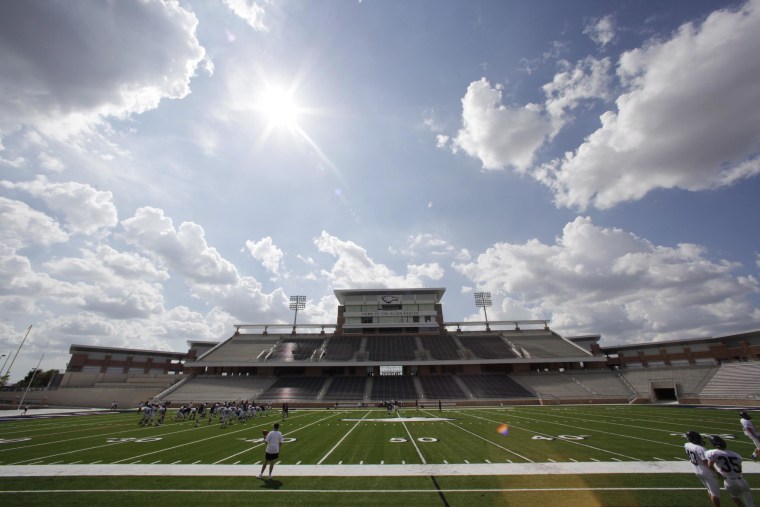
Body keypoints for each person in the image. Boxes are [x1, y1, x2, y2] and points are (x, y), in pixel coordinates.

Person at [706, 435, 755, 507]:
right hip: (742, 480)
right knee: (749, 502)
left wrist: (718, 473)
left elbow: (710, 465)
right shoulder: (736, 455)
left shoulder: (712, 453)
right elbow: (740, 468)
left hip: (729, 481)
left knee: (735, 497)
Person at [684, 431, 721, 507]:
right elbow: (706, 462)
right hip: (706, 472)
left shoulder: (687, 445)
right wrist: (716, 472)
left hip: (697, 470)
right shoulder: (700, 449)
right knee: (715, 493)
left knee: (709, 490)